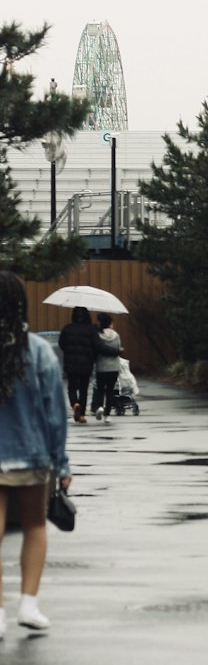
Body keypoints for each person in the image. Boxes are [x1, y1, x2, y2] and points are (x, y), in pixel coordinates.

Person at [0, 271, 72, 634]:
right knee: (34, 525)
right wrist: (62, 463)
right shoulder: (39, 351)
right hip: (32, 454)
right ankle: (28, 605)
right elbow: (55, 413)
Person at [58, 306, 99, 423]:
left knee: (72, 387)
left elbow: (61, 344)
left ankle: (74, 403)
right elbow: (96, 345)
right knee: (83, 389)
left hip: (71, 363)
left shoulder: (67, 328)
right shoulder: (91, 330)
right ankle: (81, 415)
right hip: (86, 363)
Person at [91, 312, 122, 420]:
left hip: (101, 366)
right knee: (110, 390)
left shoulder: (98, 335)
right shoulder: (116, 335)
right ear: (110, 323)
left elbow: (95, 348)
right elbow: (119, 348)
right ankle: (107, 414)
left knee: (100, 389)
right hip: (114, 367)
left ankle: (99, 407)